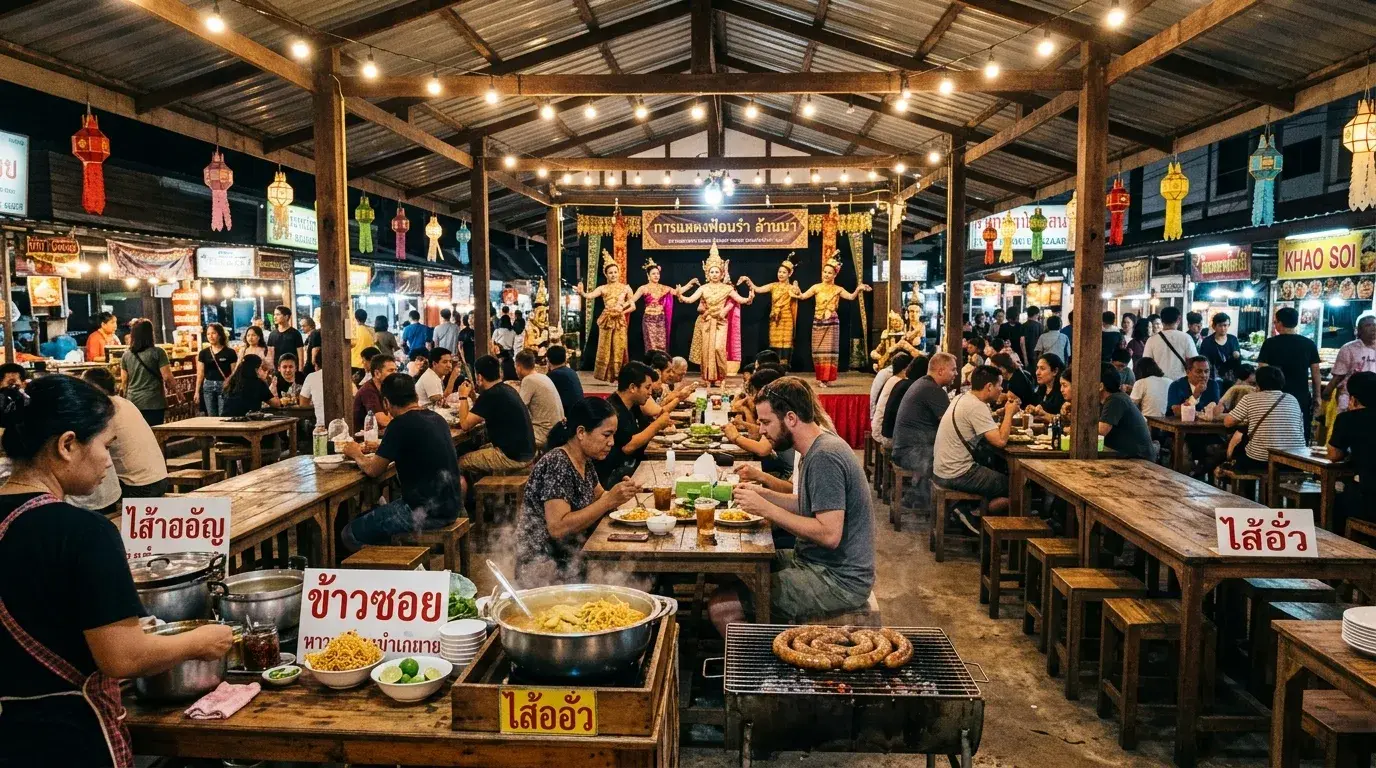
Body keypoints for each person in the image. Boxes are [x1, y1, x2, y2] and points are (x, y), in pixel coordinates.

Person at [0, 377, 234, 766]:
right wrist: (200, 641)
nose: (109, 461)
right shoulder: (84, 533)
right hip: (69, 740)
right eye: (105, 445)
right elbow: (123, 658)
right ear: (68, 445)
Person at [709, 376, 875, 628]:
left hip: (839, 580)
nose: (761, 430)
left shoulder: (824, 457)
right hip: (813, 561)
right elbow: (807, 505)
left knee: (722, 608)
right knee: (731, 568)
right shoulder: (812, 448)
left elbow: (830, 534)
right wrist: (765, 494)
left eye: (766, 422)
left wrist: (766, 508)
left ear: (791, 418)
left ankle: (761, 666)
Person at [515, 397, 640, 584]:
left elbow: (601, 496)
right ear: (581, 432)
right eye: (606, 435)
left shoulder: (584, 461)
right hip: (544, 566)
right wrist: (609, 501)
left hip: (572, 558)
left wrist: (622, 492)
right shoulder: (558, 462)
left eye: (613, 435)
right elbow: (557, 527)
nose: (612, 442)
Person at [340, 372, 463, 552]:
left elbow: (374, 470)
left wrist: (356, 453)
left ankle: (387, 570)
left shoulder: (399, 424)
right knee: (370, 517)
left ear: (387, 403)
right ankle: (395, 559)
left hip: (423, 513)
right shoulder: (437, 419)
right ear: (414, 396)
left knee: (349, 533)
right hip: (452, 506)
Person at [933, 365, 1017, 529]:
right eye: (1000, 385)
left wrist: (997, 414)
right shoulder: (977, 406)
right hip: (957, 472)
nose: (1002, 389)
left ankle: (968, 509)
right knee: (1015, 487)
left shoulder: (963, 398)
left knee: (996, 473)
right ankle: (975, 514)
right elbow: (1000, 441)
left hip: (942, 468)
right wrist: (1009, 414)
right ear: (989, 387)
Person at [76, 368, 170, 505]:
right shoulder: (125, 403)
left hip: (140, 488)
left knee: (83, 495)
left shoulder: (100, 409)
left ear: (93, 388)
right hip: (161, 479)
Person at [592, 361, 672, 487]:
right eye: (647, 387)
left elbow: (643, 431)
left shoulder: (633, 406)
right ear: (633, 387)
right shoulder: (613, 410)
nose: (650, 392)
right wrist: (658, 424)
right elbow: (628, 446)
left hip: (632, 469)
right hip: (614, 478)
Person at [456, 355, 536, 480]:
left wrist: (462, 397)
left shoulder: (490, 395)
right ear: (499, 373)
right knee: (481, 448)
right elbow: (483, 410)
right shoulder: (507, 389)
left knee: (461, 462)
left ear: (479, 377)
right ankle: (481, 491)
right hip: (527, 451)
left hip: (512, 456)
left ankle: (469, 497)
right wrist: (472, 396)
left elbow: (465, 424)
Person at [795, 254, 870, 386]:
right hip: (818, 322)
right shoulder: (816, 287)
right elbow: (802, 296)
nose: (826, 275)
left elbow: (851, 297)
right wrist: (796, 289)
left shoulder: (838, 289)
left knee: (830, 351)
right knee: (818, 351)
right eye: (825, 272)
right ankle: (821, 377)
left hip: (832, 323)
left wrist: (858, 289)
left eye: (830, 273)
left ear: (835, 275)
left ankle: (827, 378)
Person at [1221, 366, 1306, 474]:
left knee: (1243, 451)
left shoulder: (1250, 398)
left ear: (1258, 382)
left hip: (1261, 460)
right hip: (1294, 460)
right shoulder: (1292, 399)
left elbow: (1228, 422)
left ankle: (1245, 490)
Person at [1258, 306, 1322, 437]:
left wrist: (1260, 393)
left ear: (1280, 323)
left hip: (1274, 397)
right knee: (1299, 430)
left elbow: (1262, 371)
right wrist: (1317, 397)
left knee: (1275, 430)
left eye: (1275, 322)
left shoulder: (1270, 343)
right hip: (1300, 396)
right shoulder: (1309, 344)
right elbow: (1316, 374)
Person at [1328, 371, 1375, 527]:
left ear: (1353, 399)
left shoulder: (1348, 419)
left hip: (1369, 498)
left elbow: (1334, 455)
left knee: (1337, 502)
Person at [739, 254, 801, 364]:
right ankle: (776, 365)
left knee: (786, 342)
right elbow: (757, 289)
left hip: (786, 317)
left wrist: (796, 287)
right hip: (774, 317)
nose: (781, 274)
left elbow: (798, 294)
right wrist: (748, 280)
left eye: (784, 272)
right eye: (779, 272)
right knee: (775, 342)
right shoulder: (773, 285)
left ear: (789, 274)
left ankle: (785, 366)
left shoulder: (792, 288)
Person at [120, 319, 178, 426]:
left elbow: (124, 381)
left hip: (133, 402)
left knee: (138, 434)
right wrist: (179, 394)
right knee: (155, 434)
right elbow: (167, 377)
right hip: (154, 402)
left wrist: (125, 400)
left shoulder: (126, 355)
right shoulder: (158, 352)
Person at [1096, 364, 1156, 460]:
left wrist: (1071, 429)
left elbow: (1101, 431)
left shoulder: (1116, 400)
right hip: (1127, 456)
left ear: (1100, 386)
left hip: (1138, 460)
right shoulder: (1111, 399)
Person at [1325, 313, 1376, 415]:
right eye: (1368, 325)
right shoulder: (1348, 348)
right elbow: (1339, 375)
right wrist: (1326, 393)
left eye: (1374, 325)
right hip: (1350, 398)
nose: (1373, 328)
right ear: (1359, 330)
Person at [514, 348, 565, 448]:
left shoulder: (529, 380)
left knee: (507, 433)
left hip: (544, 434)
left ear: (519, 367)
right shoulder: (543, 377)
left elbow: (517, 409)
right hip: (557, 430)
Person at [1141, 305, 1198, 381]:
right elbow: (1194, 360)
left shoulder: (1152, 340)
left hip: (1158, 382)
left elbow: (1145, 363)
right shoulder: (1186, 338)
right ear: (1179, 319)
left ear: (1161, 320)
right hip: (1179, 383)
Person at [869, 352, 913, 449]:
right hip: (882, 431)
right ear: (906, 368)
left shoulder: (893, 379)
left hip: (880, 426)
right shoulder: (900, 382)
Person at [195, 322, 237, 417]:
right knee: (211, 416)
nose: (211, 336)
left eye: (213, 333)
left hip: (224, 385)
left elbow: (234, 372)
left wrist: (229, 382)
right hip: (208, 386)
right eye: (208, 334)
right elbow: (200, 373)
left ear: (220, 334)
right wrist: (197, 391)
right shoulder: (203, 353)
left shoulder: (230, 352)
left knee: (223, 415)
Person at [353, 354, 399, 431]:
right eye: (391, 370)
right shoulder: (368, 391)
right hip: (363, 438)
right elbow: (383, 421)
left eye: (395, 370)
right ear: (377, 373)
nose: (395, 374)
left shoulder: (386, 388)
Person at [1198, 312, 1240, 384]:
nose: (1223, 328)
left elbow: (1238, 362)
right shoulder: (1207, 342)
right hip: (1212, 380)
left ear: (1228, 325)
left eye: (1225, 325)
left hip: (1231, 380)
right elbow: (1203, 362)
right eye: (1220, 326)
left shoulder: (1233, 339)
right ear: (1214, 326)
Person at [546, 345, 585, 417]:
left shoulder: (553, 375)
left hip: (569, 416)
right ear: (565, 359)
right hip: (580, 411)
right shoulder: (571, 371)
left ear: (548, 360)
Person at [1028, 353, 1066, 418]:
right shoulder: (1042, 388)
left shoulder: (1062, 391)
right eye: (1037, 368)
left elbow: (1062, 419)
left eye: (1042, 369)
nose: (1037, 372)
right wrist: (1032, 409)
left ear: (1055, 371)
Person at [350, 307, 375, 377]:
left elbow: (350, 344)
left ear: (356, 318)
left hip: (355, 363)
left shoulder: (354, 331)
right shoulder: (371, 330)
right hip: (367, 364)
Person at [1019, 306, 1044, 372]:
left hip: (1025, 355)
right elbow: (1042, 342)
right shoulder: (1039, 326)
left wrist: (1025, 359)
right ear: (1036, 314)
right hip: (1036, 356)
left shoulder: (1023, 326)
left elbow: (1022, 342)